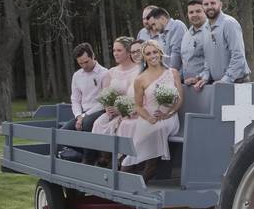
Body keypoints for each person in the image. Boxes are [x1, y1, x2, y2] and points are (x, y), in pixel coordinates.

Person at [121, 40, 183, 182]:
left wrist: (168, 114)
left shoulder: (172, 73)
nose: (152, 56)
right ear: (144, 57)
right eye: (148, 53)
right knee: (141, 139)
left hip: (170, 118)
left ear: (160, 53)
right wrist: (149, 118)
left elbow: (179, 100)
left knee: (157, 130)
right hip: (148, 117)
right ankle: (126, 174)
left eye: (155, 52)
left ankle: (148, 172)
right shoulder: (140, 79)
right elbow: (138, 106)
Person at [91, 36, 142, 166]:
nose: (115, 53)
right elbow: (106, 92)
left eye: (119, 50)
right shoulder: (112, 72)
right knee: (98, 123)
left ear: (128, 51)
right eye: (114, 50)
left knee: (118, 125)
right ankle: (105, 158)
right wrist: (108, 106)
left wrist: (122, 109)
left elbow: (136, 96)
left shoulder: (138, 70)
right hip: (112, 111)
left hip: (129, 111)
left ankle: (120, 160)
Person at [61, 42, 108, 164]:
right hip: (82, 113)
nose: (84, 65)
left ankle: (88, 160)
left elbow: (104, 101)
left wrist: (83, 117)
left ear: (93, 56)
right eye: (80, 63)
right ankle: (93, 155)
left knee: (87, 123)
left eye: (86, 62)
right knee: (63, 133)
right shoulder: (77, 76)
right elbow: (75, 99)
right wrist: (78, 116)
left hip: (100, 110)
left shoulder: (104, 73)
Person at [202, 0, 251, 84]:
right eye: (206, 4)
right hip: (219, 83)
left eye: (213, 3)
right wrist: (205, 77)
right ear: (203, 7)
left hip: (237, 82)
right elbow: (208, 59)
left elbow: (238, 55)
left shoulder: (229, 23)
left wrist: (226, 80)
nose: (209, 6)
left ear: (220, 4)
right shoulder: (205, 28)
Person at [141, 7, 186, 72]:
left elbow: (176, 55)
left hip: (179, 75)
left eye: (154, 24)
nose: (154, 29)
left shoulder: (177, 26)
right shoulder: (162, 33)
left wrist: (166, 76)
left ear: (163, 19)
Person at [181, 0, 210, 91]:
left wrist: (199, 77)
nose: (194, 15)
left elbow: (212, 61)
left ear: (205, 12)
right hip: (188, 87)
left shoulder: (211, 31)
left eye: (198, 11)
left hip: (206, 86)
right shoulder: (187, 34)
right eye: (191, 12)